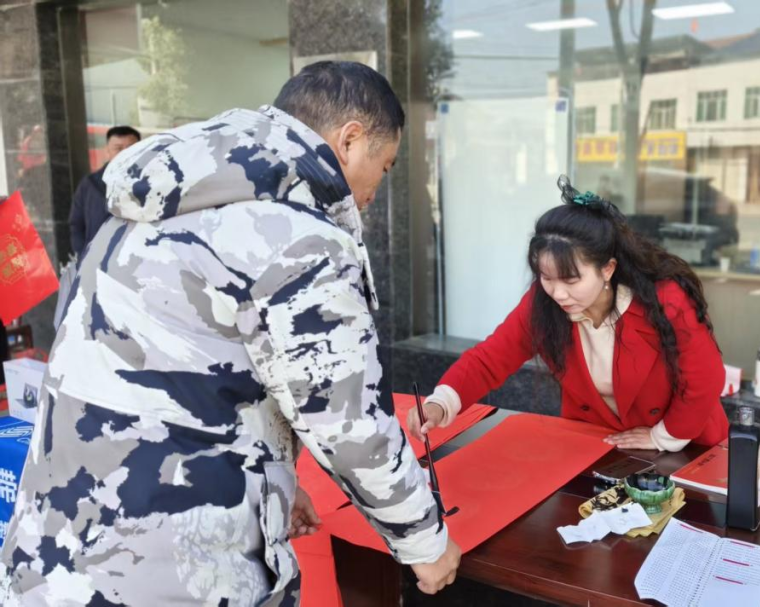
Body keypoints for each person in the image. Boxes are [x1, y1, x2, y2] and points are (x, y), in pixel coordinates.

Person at [0, 61, 460, 605]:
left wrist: (273, 482)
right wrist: (424, 540)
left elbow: (190, 372)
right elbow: (347, 422)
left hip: (58, 547)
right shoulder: (295, 235)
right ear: (350, 140)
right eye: (384, 167)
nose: (374, 193)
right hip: (165, 566)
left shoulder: (159, 199)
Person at [408, 176, 729, 451]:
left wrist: (663, 436)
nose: (558, 293)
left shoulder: (664, 298)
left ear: (607, 269)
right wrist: (441, 403)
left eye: (571, 280)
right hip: (598, 443)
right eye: (546, 277)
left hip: (683, 444)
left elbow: (705, 378)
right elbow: (490, 360)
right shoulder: (543, 302)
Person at [68, 125, 141, 258]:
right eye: (118, 148)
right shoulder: (90, 184)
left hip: (138, 257)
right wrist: (83, 255)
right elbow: (76, 223)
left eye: (131, 148)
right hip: (98, 258)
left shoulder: (152, 182)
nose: (125, 153)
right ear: (107, 151)